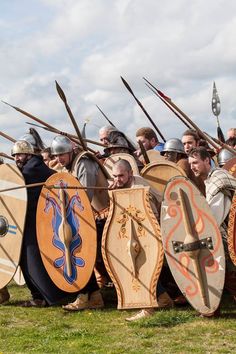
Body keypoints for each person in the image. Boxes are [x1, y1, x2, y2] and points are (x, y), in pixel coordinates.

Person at [110, 159, 174, 321]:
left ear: (130, 173)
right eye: (115, 176)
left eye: (121, 176)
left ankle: (148, 307)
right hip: (140, 232)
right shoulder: (128, 185)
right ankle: (163, 298)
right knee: (143, 266)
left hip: (150, 232)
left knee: (143, 267)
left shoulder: (138, 189)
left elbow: (153, 212)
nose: (118, 180)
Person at [11, 140, 72, 307]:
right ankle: (41, 295)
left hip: (34, 221)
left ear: (29, 154)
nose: (17, 158)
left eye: (20, 154)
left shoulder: (31, 169)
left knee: (32, 260)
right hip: (33, 219)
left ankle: (45, 297)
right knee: (28, 259)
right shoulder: (33, 167)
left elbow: (18, 185)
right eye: (15, 155)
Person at [50, 135, 106, 311]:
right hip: (91, 217)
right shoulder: (71, 166)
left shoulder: (84, 163)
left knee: (78, 251)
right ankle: (94, 296)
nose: (59, 159)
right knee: (76, 250)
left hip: (104, 217)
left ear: (71, 151)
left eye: (62, 155)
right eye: (56, 156)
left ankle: (83, 296)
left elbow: (83, 197)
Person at [188, 147, 236, 315]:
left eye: (195, 163)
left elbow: (214, 217)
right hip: (226, 231)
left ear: (207, 161)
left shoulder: (218, 180)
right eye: (190, 164)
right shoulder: (212, 179)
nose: (192, 167)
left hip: (230, 235)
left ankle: (211, 308)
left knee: (207, 259)